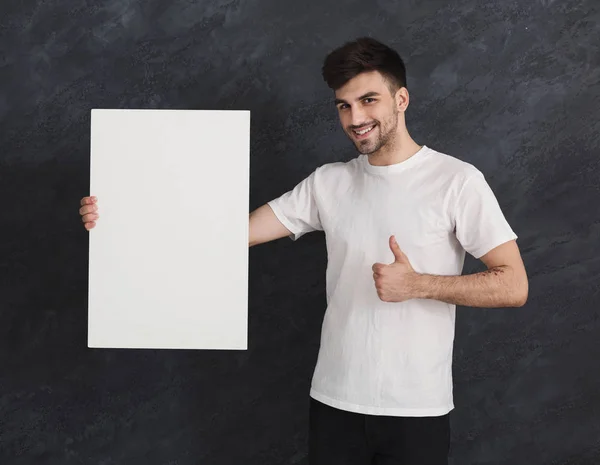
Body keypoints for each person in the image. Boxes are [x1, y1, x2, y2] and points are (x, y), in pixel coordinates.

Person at [79, 37, 528, 465]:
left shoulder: (456, 180)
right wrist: (119, 218)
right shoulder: (330, 182)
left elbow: (513, 284)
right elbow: (227, 233)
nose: (355, 118)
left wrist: (418, 284)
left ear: (401, 100)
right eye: (344, 106)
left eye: (368, 100)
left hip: (418, 409)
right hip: (334, 401)